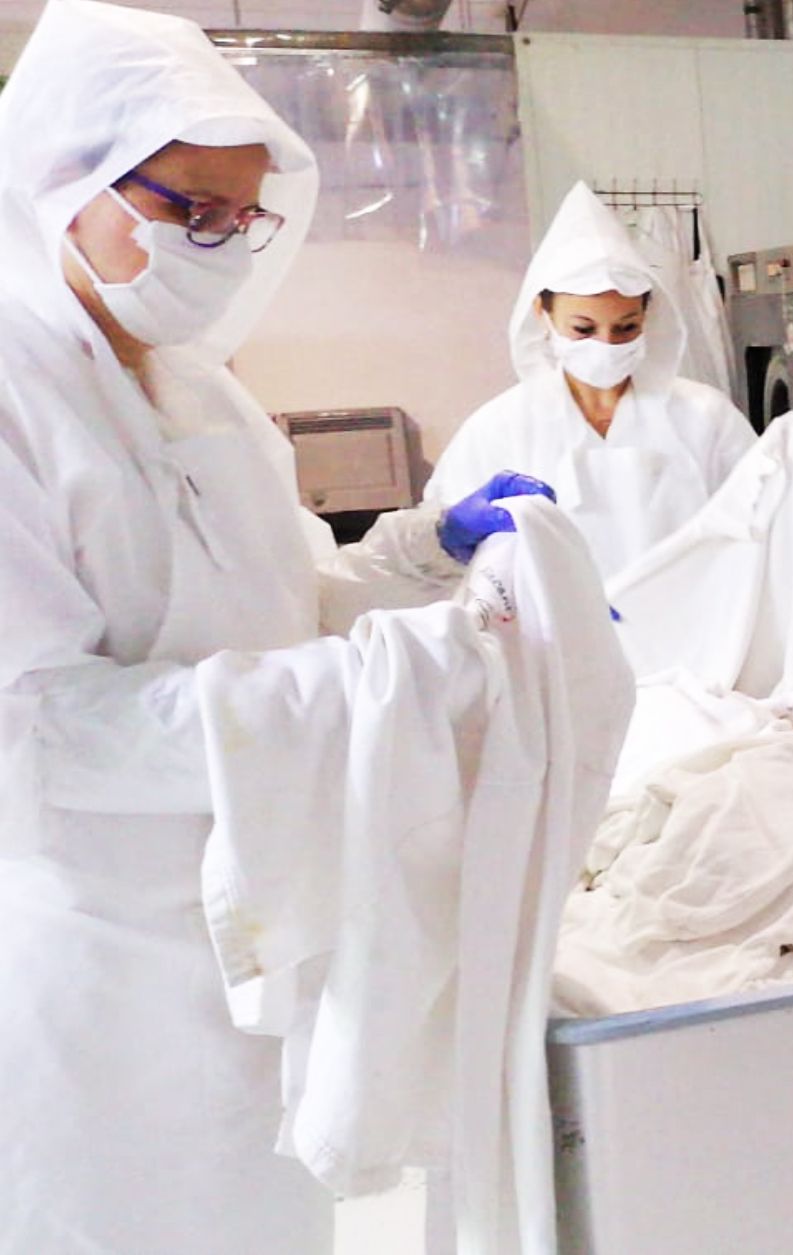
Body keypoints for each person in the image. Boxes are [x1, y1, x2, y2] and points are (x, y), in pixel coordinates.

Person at [0, 4, 556, 1251]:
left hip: (259, 947)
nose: (220, 249)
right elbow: (37, 732)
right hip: (101, 975)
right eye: (191, 210)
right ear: (63, 184)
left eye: (242, 218)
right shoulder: (13, 394)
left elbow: (285, 597)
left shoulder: (198, 387)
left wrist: (428, 559)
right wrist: (364, 688)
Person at [425, 182, 762, 578]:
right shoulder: (498, 428)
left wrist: (785, 471)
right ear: (543, 313)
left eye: (626, 327)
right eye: (583, 329)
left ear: (648, 315)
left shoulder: (705, 416)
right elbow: (437, 555)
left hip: (689, 615)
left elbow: (762, 527)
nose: (606, 344)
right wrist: (449, 535)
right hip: (551, 619)